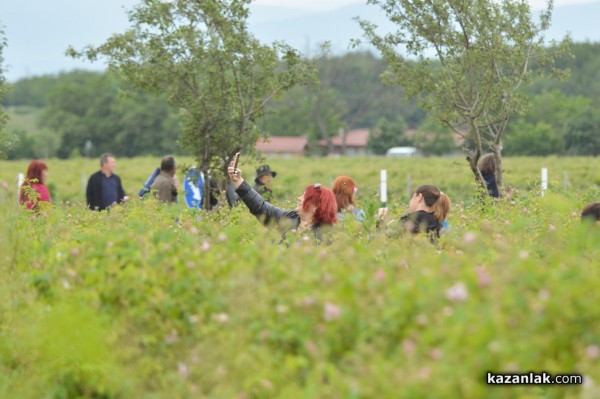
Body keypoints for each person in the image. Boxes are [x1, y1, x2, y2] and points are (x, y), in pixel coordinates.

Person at [228, 162, 337, 243]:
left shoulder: (323, 237)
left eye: (304, 197)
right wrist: (238, 180)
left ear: (315, 207)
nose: (299, 198)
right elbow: (262, 207)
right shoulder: (291, 218)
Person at [378, 185, 451, 242]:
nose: (410, 202)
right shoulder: (437, 223)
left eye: (412, 197)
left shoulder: (413, 219)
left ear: (419, 197)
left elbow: (385, 240)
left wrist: (381, 219)